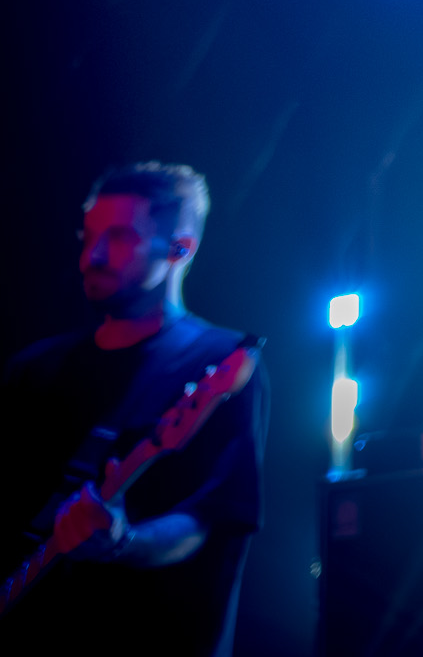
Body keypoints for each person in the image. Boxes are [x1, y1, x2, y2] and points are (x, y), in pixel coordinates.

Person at [0, 163, 266, 657]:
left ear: (180, 249)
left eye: (120, 238)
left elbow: (211, 517)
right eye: (89, 236)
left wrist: (123, 541)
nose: (93, 255)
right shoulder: (31, 370)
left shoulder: (219, 362)